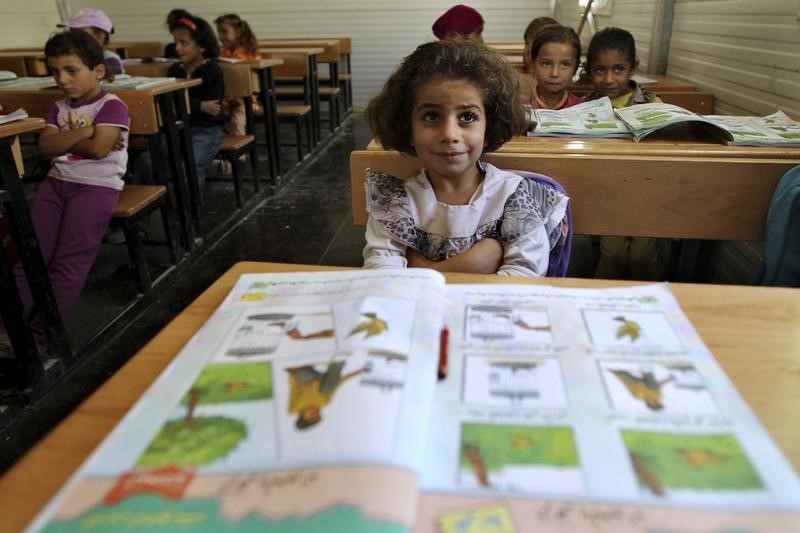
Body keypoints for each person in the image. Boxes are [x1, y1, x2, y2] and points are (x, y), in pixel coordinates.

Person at [362, 39, 569, 277]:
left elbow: (524, 277)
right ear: (408, 129)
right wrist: (470, 266)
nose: (450, 134)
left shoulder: (513, 197)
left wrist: (425, 270)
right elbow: (382, 276)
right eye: (431, 116)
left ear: (488, 126)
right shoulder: (395, 202)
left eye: (468, 117)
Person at [6, 30, 128, 346]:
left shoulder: (112, 106)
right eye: (55, 71)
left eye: (71, 70)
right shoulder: (58, 107)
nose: (62, 79)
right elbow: (46, 147)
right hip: (57, 184)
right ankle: (8, 328)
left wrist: (72, 138)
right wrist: (86, 131)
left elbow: (100, 150)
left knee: (69, 262)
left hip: (95, 188)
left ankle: (40, 334)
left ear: (98, 71)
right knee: (30, 256)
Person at [584, 27, 662, 280]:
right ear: (588, 70)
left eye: (618, 69)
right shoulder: (585, 107)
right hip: (605, 191)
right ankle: (598, 303)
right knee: (613, 255)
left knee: (643, 257)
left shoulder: (653, 104)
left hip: (647, 191)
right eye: (600, 70)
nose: (609, 79)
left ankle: (651, 304)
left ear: (633, 67)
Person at [135, 15, 225, 192]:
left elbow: (214, 109)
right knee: (145, 161)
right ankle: (148, 211)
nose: (177, 48)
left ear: (202, 46)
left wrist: (184, 105)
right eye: (176, 42)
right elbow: (168, 103)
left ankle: (192, 215)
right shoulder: (175, 70)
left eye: (184, 43)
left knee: (189, 167)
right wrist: (199, 105)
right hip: (177, 129)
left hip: (206, 130)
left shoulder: (213, 71)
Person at [287, 358, 371, 430]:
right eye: (318, 415)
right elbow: (338, 383)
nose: (316, 413)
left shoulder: (295, 407)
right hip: (321, 379)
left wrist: (292, 374)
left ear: (302, 415)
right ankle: (337, 362)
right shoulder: (323, 403)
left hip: (305, 377)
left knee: (305, 376)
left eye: (312, 416)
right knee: (329, 389)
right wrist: (359, 372)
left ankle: (300, 370)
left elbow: (294, 389)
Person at [215, 13, 262, 137]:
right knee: (212, 116)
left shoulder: (250, 55)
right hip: (225, 98)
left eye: (224, 32)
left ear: (238, 32)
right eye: (218, 32)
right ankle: (219, 149)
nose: (220, 36)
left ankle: (238, 155)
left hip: (246, 100)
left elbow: (254, 84)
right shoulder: (222, 54)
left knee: (237, 119)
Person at [525, 24, 582, 110]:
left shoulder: (580, 108)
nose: (554, 73)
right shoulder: (519, 105)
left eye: (565, 65)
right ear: (533, 64)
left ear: (576, 68)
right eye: (546, 64)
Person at [57, 8, 124, 75]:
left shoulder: (110, 60)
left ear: (100, 36)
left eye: (79, 34)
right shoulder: (74, 59)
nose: (73, 39)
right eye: (71, 34)